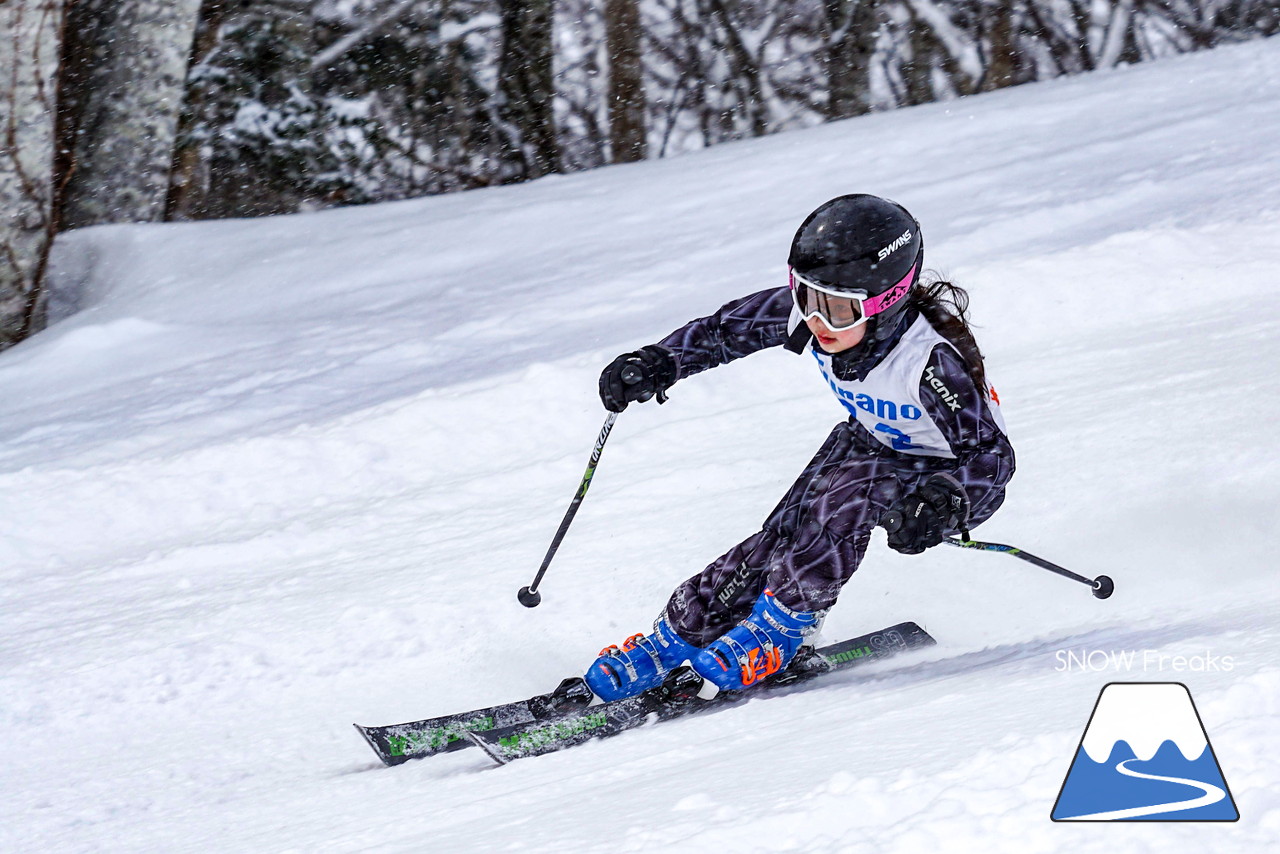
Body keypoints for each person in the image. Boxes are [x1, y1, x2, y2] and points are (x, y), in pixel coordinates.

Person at [582, 194, 1015, 701]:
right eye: (805, 296)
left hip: (933, 473)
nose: (816, 321)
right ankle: (683, 632)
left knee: (844, 499)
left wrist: (943, 505)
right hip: (866, 441)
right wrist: (659, 362)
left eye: (836, 309)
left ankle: (785, 627)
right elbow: (725, 332)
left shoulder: (930, 360)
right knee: (783, 534)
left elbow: (992, 458)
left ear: (887, 300)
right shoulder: (816, 314)